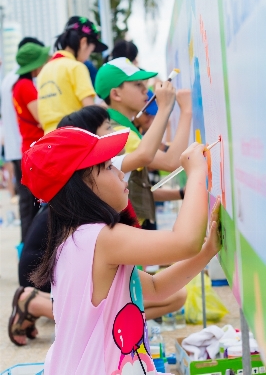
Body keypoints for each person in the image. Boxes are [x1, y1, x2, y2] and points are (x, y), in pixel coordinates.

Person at [20, 126, 220, 374]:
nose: (121, 172)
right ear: (80, 186)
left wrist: (208, 250)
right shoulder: (100, 239)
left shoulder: (74, 240)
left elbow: (157, 288)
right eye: (108, 167)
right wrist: (196, 172)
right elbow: (184, 242)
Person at [95, 57, 192, 228]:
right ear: (116, 94)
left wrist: (181, 193)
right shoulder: (119, 133)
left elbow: (139, 189)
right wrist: (184, 110)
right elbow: (172, 162)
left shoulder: (123, 128)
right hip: (132, 226)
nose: (145, 91)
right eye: (137, 85)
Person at [37, 16, 108, 134]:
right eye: (91, 50)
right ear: (84, 42)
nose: (88, 57)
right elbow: (90, 110)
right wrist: (107, 107)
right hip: (72, 138)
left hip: (48, 140)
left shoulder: (45, 70)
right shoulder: (76, 67)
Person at [12, 42, 50, 243]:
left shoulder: (18, 86)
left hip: (27, 150)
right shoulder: (26, 86)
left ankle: (26, 257)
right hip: (35, 153)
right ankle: (30, 259)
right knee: (36, 212)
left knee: (29, 210)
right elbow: (41, 117)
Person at [0, 37, 44, 205]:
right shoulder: (25, 85)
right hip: (30, 147)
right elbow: (40, 117)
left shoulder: (15, 83)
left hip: (22, 147)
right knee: (32, 205)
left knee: (29, 205)